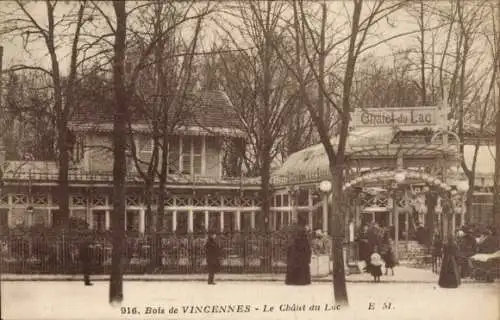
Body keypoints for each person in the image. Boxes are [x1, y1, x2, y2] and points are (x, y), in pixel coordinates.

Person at [285, 218, 312, 285]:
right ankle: (302, 281)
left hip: (294, 250)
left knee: (293, 265)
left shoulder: (294, 229)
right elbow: (305, 242)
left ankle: (291, 281)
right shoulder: (302, 229)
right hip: (301, 250)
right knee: (302, 265)